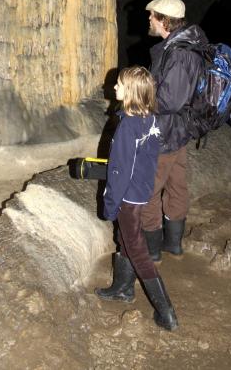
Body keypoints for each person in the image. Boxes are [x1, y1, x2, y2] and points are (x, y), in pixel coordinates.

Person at [95, 66, 178, 332]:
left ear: (130, 91)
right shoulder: (149, 119)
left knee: (137, 250)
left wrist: (110, 204)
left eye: (119, 84)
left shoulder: (127, 126)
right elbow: (144, 161)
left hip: (128, 197)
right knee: (126, 238)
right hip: (141, 191)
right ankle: (122, 288)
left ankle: (166, 312)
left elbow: (119, 171)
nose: (114, 87)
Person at [142, 0, 208, 262]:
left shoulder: (180, 53)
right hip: (178, 131)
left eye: (152, 15)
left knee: (146, 189)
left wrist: (137, 100)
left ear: (164, 20)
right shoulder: (181, 47)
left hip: (165, 132)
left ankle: (151, 250)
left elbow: (170, 101)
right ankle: (173, 244)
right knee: (176, 185)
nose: (149, 19)